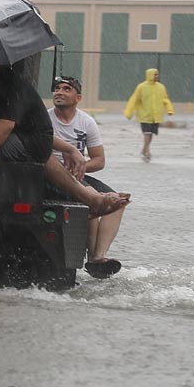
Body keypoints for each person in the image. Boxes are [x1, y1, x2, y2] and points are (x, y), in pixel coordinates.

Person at [0, 64, 130, 218]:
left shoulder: (10, 84)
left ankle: (94, 205)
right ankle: (93, 200)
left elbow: (5, 126)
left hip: (34, 145)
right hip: (36, 147)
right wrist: (70, 148)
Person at [49, 75, 126, 278]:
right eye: (57, 88)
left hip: (78, 174)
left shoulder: (87, 122)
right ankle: (93, 258)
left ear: (78, 97)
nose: (59, 92)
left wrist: (81, 166)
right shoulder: (45, 119)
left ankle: (99, 257)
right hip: (53, 176)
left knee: (119, 200)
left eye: (66, 89)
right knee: (92, 197)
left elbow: (99, 160)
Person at [124, 67, 174, 160]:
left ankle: (144, 148)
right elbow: (134, 99)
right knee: (147, 133)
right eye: (155, 74)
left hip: (156, 116)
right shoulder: (141, 87)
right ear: (150, 75)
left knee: (151, 134)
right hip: (144, 115)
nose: (157, 76)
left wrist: (170, 110)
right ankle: (147, 151)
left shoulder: (161, 87)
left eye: (157, 74)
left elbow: (165, 99)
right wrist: (128, 113)